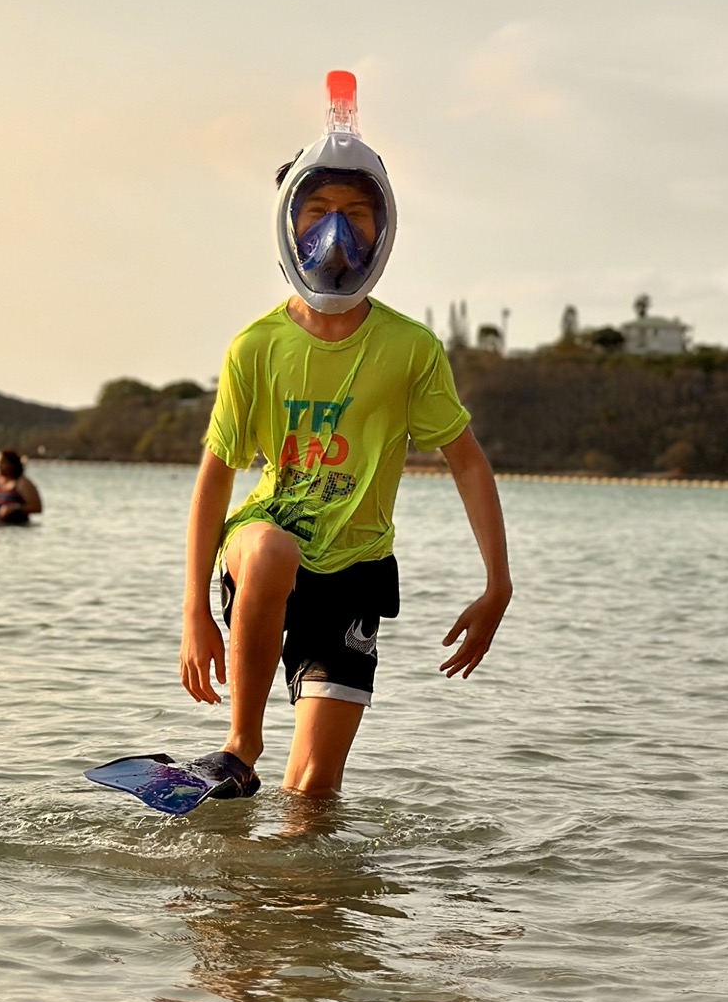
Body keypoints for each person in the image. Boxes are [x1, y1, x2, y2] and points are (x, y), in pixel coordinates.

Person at [179, 71, 512, 798]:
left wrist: (498, 585)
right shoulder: (255, 347)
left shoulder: (409, 349)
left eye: (357, 213)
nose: (336, 229)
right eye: (319, 208)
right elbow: (215, 475)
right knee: (268, 547)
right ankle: (242, 743)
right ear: (289, 221)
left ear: (382, 227)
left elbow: (467, 460)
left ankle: (298, 901)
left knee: (313, 797)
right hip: (269, 549)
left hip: (355, 572)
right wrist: (195, 612)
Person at [0, 449, 43, 524]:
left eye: (2, 463)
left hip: (17, 526)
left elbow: (37, 507)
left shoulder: (22, 483)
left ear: (12, 464)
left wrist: (16, 508)